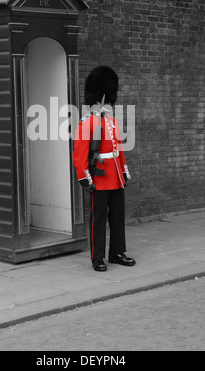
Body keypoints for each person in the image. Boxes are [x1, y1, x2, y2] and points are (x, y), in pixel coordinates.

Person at [73, 66, 136, 272]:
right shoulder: (87, 123)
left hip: (115, 176)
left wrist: (124, 171)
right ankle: (97, 257)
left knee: (117, 216)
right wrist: (85, 177)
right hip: (99, 178)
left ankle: (117, 252)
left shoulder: (111, 121)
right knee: (98, 219)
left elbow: (119, 148)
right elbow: (79, 154)